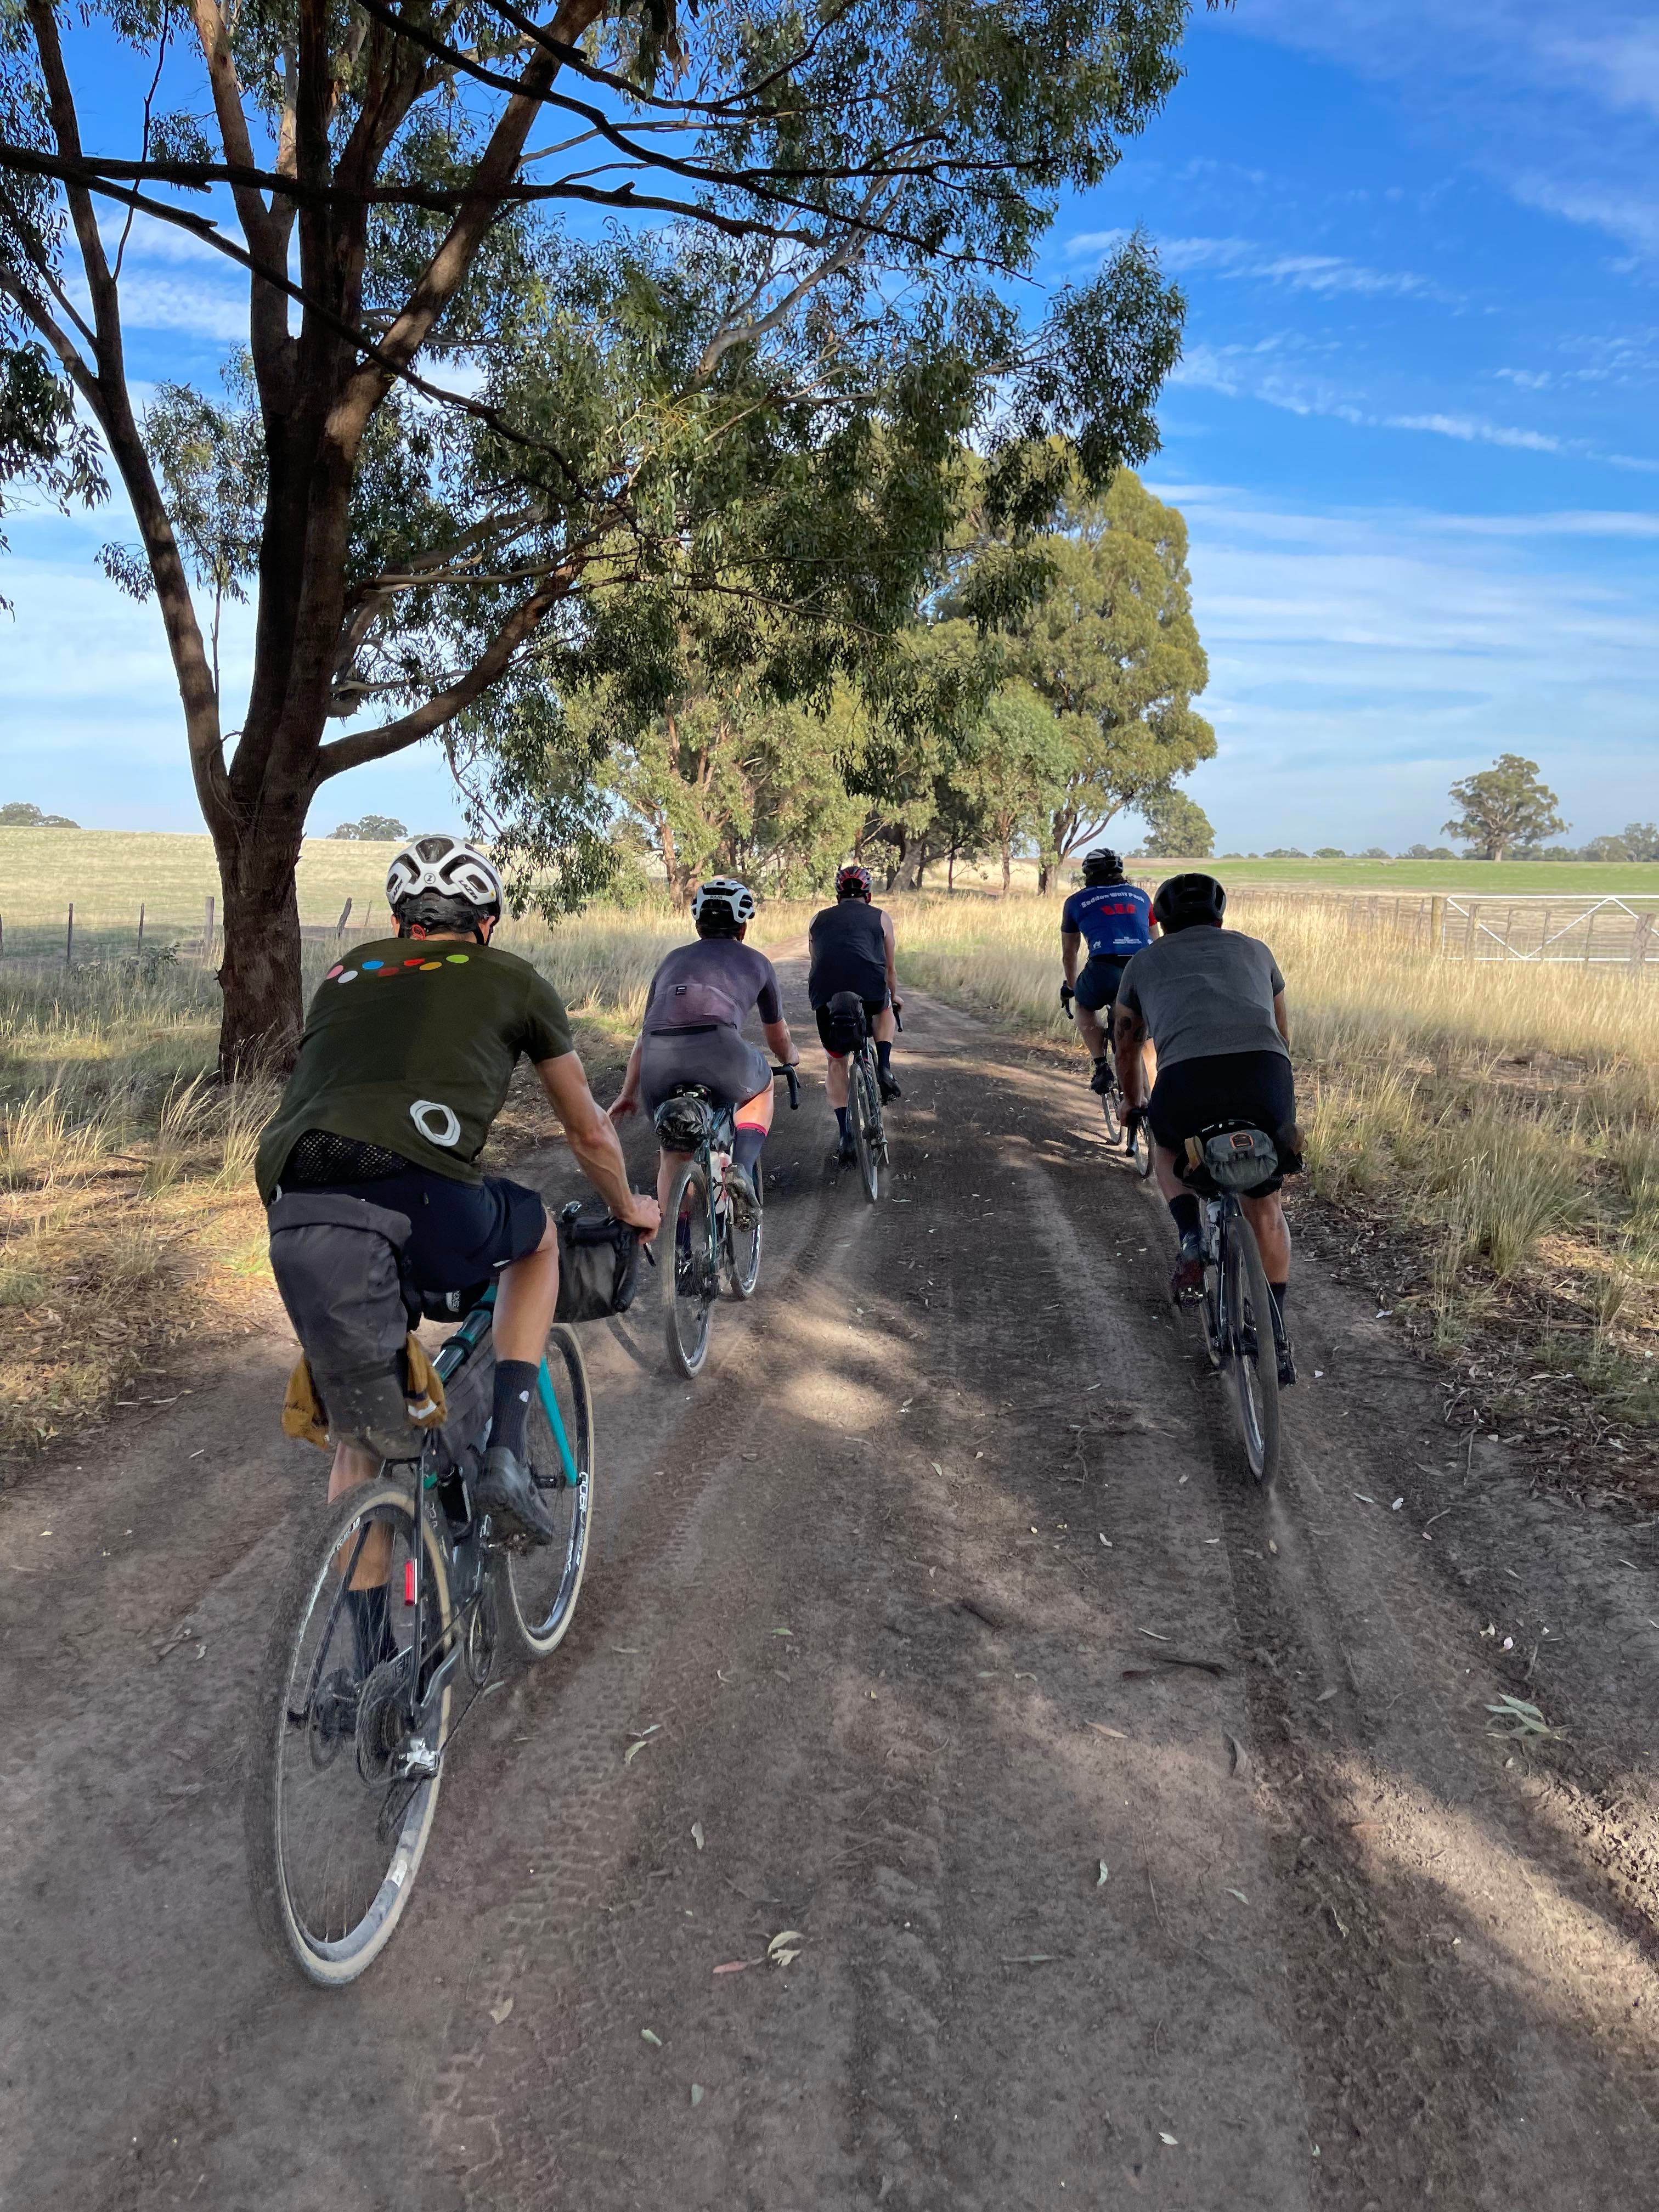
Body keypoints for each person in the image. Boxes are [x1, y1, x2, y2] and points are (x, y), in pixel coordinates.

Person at [256, 833, 660, 1554]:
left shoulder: (346, 972)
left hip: (295, 1203)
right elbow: (588, 1132)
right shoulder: (513, 979)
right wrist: (631, 1208)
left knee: (361, 1438)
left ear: (400, 922)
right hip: (420, 1188)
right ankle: (507, 1451)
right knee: (536, 1238)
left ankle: (364, 1630)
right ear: (486, 924)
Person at [1111, 872, 1299, 1384]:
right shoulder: (1256, 950)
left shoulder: (1143, 961)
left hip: (1187, 1079)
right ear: (1220, 916)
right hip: (1265, 1074)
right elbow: (1283, 1034)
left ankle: (1192, 1235)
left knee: (1167, 1144)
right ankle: (1276, 1336)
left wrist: (1132, 1101)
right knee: (1266, 1205)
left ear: (1162, 921)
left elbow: (1126, 1043)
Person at [609, 877, 799, 1217]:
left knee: (672, 1149)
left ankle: (676, 1240)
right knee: (763, 1087)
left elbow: (645, 1035)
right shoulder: (758, 962)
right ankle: (742, 1168)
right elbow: (777, 1036)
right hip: (720, 1050)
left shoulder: (671, 960)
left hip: (657, 1062)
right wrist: (790, 1058)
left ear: (698, 925)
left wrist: (627, 1094)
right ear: (743, 928)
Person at [807, 861, 902, 1165]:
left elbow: (817, 962)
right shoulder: (881, 918)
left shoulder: (817, 920)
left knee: (836, 1062)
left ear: (838, 896)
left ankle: (845, 1134)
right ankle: (884, 1067)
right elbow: (890, 969)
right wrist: (895, 996)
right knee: (885, 1007)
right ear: (868, 895)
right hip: (870, 990)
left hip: (827, 997)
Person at [1059, 849, 1156, 1093]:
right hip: (1144, 967)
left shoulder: (1075, 902)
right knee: (1147, 1035)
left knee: (1084, 1006)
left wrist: (1072, 987)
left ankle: (1101, 1064)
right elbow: (1156, 942)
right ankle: (1157, 1096)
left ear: (1087, 874)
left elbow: (1070, 953)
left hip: (1105, 968)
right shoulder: (1142, 896)